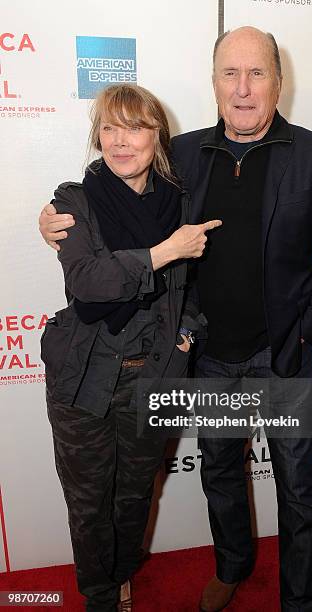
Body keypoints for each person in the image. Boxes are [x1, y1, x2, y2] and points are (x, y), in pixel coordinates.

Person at [39, 28, 312, 612]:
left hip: (282, 356)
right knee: (219, 471)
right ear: (213, 83)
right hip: (209, 356)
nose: (243, 90)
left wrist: (306, 329)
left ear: (278, 81)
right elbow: (121, 198)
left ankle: (302, 602)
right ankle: (233, 566)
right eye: (229, 75)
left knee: (298, 487)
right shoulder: (184, 155)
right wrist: (55, 218)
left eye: (256, 74)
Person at [40, 83, 221, 612]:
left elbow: (197, 283)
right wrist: (164, 252)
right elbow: (89, 282)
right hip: (83, 374)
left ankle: (121, 570)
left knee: (136, 492)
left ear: (156, 137)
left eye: (135, 127)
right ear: (97, 136)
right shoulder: (75, 198)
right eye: (109, 128)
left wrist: (189, 330)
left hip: (157, 371)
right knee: (89, 502)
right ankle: (100, 595)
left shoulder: (181, 201)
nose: (121, 141)